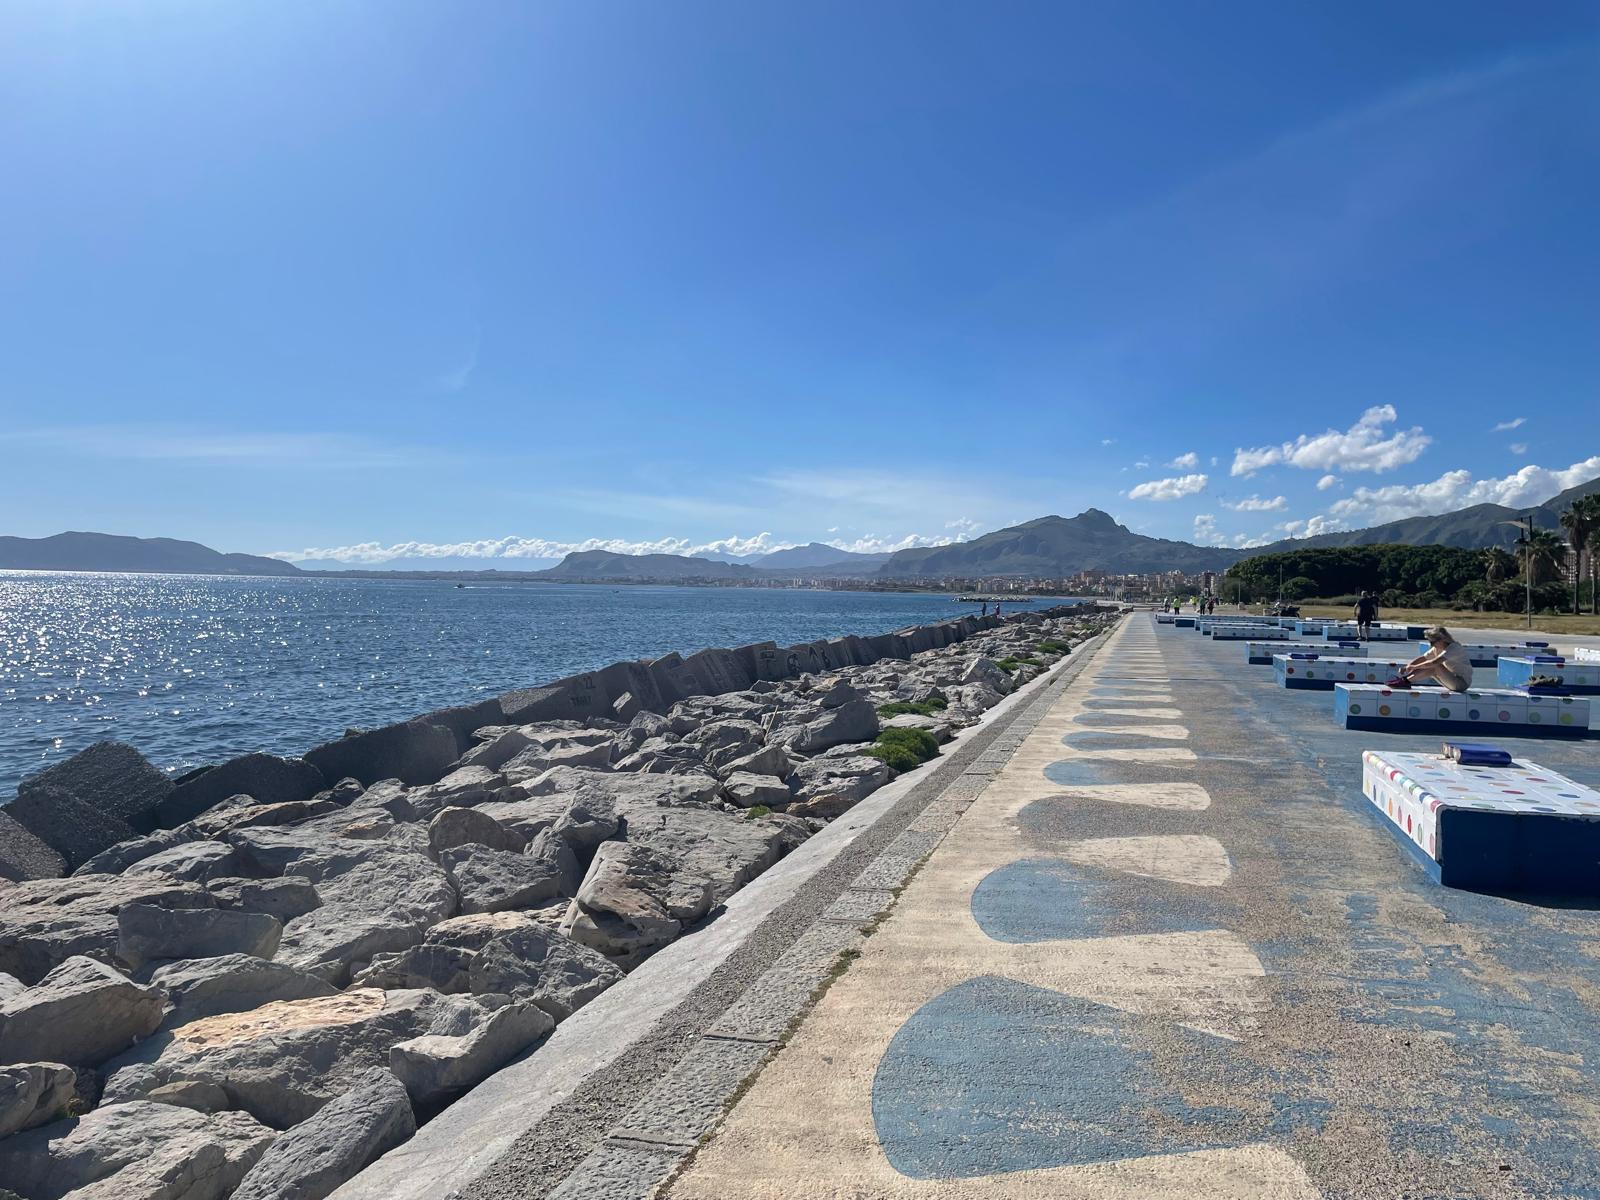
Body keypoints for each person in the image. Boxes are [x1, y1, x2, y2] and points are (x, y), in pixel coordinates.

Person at [1397, 626, 1473, 692]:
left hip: (1461, 683)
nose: (1431, 645)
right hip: (1452, 680)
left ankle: (1406, 681)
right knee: (1431, 668)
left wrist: (1414, 667)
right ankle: (1405, 680)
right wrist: (1408, 666)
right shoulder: (1437, 648)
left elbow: (1434, 662)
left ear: (1442, 640)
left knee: (1435, 666)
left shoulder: (1454, 648)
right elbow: (1423, 658)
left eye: (1433, 642)